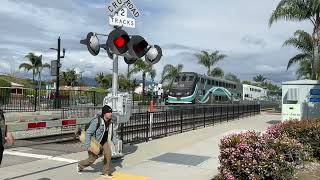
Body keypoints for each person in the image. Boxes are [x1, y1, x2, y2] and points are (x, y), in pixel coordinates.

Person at [77, 105, 113, 179]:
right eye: (109, 112)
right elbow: (88, 132)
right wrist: (87, 145)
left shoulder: (109, 120)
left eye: (111, 112)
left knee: (108, 154)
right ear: (104, 113)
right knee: (91, 160)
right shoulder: (97, 121)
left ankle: (105, 173)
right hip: (95, 142)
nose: (110, 114)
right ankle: (80, 165)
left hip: (103, 141)